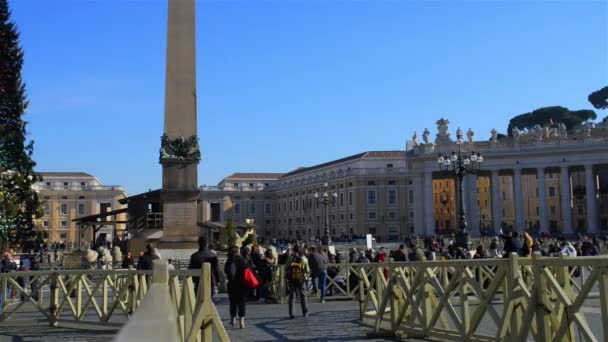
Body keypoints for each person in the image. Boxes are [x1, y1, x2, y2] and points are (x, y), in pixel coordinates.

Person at [224, 246, 248, 329]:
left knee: (233, 303)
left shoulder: (229, 261)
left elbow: (226, 272)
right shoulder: (243, 261)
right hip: (242, 285)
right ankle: (242, 321)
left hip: (232, 285)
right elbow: (247, 271)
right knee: (242, 303)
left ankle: (233, 320)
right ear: (238, 252)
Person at [286, 247, 309, 319]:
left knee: (292, 296)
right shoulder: (304, 259)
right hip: (301, 280)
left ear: (293, 251)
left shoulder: (290, 259)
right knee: (303, 296)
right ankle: (305, 312)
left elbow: (286, 268)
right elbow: (307, 270)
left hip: (292, 280)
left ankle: (291, 313)